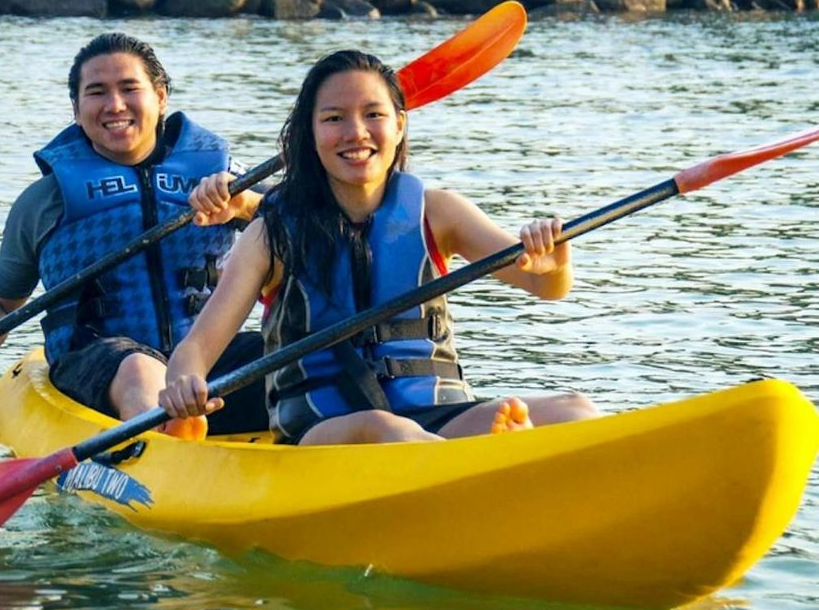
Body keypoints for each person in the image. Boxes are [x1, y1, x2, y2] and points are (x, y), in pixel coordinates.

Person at [158, 50, 598, 445]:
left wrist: (554, 261)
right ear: (311, 134)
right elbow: (197, 349)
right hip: (325, 430)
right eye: (333, 118)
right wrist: (184, 383)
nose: (356, 133)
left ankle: (494, 459)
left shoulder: (438, 212)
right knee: (386, 429)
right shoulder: (271, 234)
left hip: (434, 414)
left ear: (400, 124)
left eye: (373, 115)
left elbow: (546, 287)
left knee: (573, 411)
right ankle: (490, 463)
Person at [0, 32, 268, 438]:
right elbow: (1, 299)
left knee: (303, 352)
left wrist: (246, 205)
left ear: (160, 98)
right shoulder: (45, 201)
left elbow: (306, 225)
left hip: (204, 360)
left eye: (130, 88)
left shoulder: (225, 178)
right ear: (76, 109)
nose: (115, 105)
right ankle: (167, 447)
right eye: (97, 92)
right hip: (98, 362)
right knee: (141, 370)